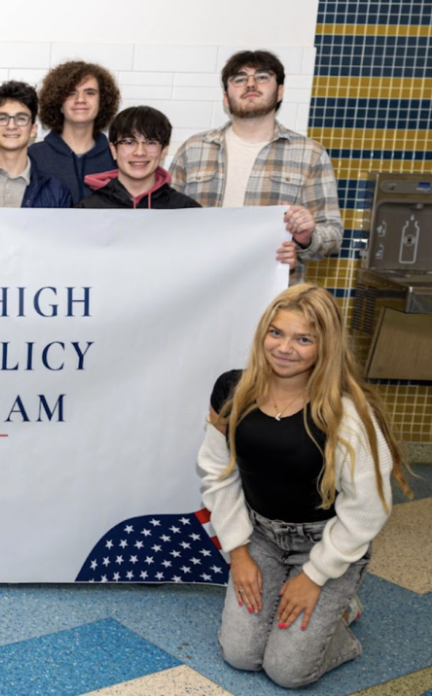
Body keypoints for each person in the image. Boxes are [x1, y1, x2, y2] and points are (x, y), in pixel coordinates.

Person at [198, 283, 411, 689]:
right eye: (276, 332)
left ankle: (341, 613)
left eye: (303, 339)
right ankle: (311, 609)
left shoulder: (348, 411)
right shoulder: (232, 390)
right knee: (241, 655)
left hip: (327, 542)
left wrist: (316, 575)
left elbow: (368, 506)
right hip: (260, 535)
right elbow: (216, 469)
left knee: (288, 672)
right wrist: (238, 552)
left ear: (325, 346)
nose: (285, 348)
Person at [169, 50, 343, 275]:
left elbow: (333, 236)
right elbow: (166, 221)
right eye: (239, 79)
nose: (250, 84)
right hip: (199, 284)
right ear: (225, 97)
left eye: (262, 77)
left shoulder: (310, 154)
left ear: (280, 92)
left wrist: (305, 238)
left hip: (271, 295)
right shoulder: (193, 150)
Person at [0, 81, 72, 208]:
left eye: (21, 119)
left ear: (33, 130)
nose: (11, 126)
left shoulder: (57, 191)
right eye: (2, 118)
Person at [28, 61, 120, 204]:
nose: (80, 100)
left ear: (102, 102)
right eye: (71, 93)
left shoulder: (118, 158)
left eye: (90, 93)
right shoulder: (33, 157)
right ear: (58, 103)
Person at [75, 106, 200, 210]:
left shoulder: (185, 211)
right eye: (129, 142)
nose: (140, 152)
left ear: (163, 151)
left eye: (150, 142)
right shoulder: (87, 210)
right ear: (113, 150)